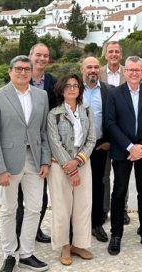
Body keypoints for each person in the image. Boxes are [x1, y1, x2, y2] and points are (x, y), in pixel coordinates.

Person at [0, 55, 51, 272]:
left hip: (35, 161)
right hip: (9, 163)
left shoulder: (41, 96)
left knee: (35, 208)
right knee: (9, 209)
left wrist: (45, 160)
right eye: (18, 69)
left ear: (31, 72)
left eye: (26, 69)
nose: (22, 72)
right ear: (10, 71)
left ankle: (26, 254)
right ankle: (9, 254)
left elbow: (43, 131)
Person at [105, 56, 142, 255]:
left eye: (138, 70)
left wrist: (141, 147)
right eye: (130, 70)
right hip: (123, 151)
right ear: (125, 71)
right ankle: (116, 234)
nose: (134, 73)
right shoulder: (114, 93)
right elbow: (110, 123)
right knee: (119, 192)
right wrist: (130, 147)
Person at [46, 73, 96, 266]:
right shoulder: (54, 114)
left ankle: (79, 244)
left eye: (75, 85)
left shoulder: (87, 110)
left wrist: (78, 161)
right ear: (61, 89)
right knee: (62, 208)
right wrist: (71, 169)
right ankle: (64, 247)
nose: (72, 88)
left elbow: (91, 139)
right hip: (60, 166)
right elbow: (54, 143)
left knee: (83, 206)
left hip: (82, 162)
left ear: (80, 89)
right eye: (68, 86)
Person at [16, 43, 56, 245]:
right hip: (19, 148)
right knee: (18, 197)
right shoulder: (19, 79)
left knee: (40, 194)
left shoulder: (52, 82)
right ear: (30, 56)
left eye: (45, 55)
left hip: (41, 147)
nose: (41, 59)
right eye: (38, 55)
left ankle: (35, 230)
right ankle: (18, 234)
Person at [80, 56, 110, 243]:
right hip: (77, 149)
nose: (93, 70)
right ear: (82, 69)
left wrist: (109, 142)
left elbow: (113, 118)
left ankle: (96, 223)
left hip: (99, 146)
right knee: (77, 187)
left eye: (96, 67)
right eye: (89, 67)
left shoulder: (108, 91)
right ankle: (78, 225)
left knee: (98, 185)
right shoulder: (73, 88)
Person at [99, 40, 129, 224]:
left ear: (121, 54)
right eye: (110, 51)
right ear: (105, 54)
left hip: (124, 132)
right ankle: (103, 210)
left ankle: (122, 209)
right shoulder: (98, 73)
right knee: (104, 175)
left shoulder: (129, 72)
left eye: (117, 51)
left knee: (122, 175)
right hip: (103, 132)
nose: (114, 54)